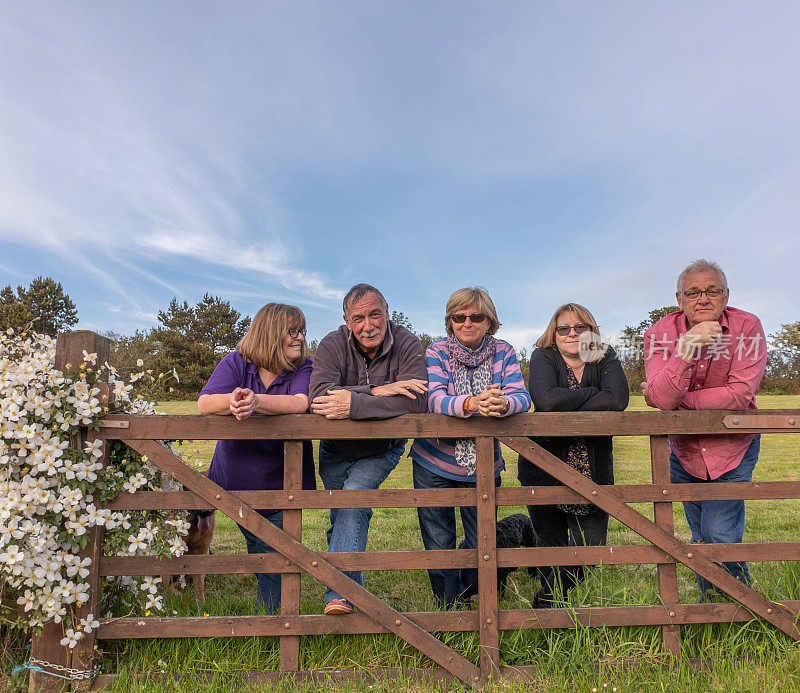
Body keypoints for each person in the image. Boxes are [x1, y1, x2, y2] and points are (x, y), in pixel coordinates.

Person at [643, 259, 766, 595]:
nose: (703, 299)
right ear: (679, 299)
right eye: (693, 292)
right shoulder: (658, 334)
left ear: (726, 296)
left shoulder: (747, 327)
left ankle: (738, 602)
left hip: (733, 448)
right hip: (683, 450)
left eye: (713, 291)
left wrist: (674, 399)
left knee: (718, 532)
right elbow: (661, 398)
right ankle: (713, 603)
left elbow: (739, 394)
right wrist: (686, 348)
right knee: (699, 534)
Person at [309, 283, 427, 615]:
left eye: (375, 314)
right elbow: (319, 394)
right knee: (341, 514)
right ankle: (348, 580)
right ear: (346, 320)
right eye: (358, 317)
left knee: (353, 500)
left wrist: (356, 403)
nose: (368, 325)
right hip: (335, 448)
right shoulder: (332, 344)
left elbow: (417, 400)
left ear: (387, 314)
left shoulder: (406, 342)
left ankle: (341, 594)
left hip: (381, 448)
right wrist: (381, 390)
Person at [410, 287, 531, 608]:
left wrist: (503, 402)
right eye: (458, 317)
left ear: (490, 321)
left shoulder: (504, 352)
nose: (467, 323)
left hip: (484, 463)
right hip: (433, 461)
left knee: (483, 541)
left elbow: (523, 397)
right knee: (439, 541)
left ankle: (465, 590)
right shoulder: (436, 352)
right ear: (449, 322)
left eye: (476, 317)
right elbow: (433, 398)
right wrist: (473, 403)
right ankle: (448, 607)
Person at [198, 303, 315, 612]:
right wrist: (233, 400)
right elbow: (205, 403)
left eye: (302, 331)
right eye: (292, 331)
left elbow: (300, 402)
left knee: (275, 549)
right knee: (261, 544)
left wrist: (257, 401)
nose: (300, 338)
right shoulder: (236, 363)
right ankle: (273, 618)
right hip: (235, 479)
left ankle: (272, 621)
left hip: (283, 478)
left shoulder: (303, 367)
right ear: (270, 333)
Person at [519, 303, 628, 608]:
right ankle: (547, 606)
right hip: (544, 466)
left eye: (579, 327)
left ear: (591, 331)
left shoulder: (603, 355)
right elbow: (547, 401)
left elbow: (618, 399)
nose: (571, 334)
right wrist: (595, 393)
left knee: (590, 550)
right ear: (553, 334)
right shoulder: (543, 355)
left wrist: (569, 401)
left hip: (593, 468)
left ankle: (553, 593)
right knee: (551, 545)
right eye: (563, 328)